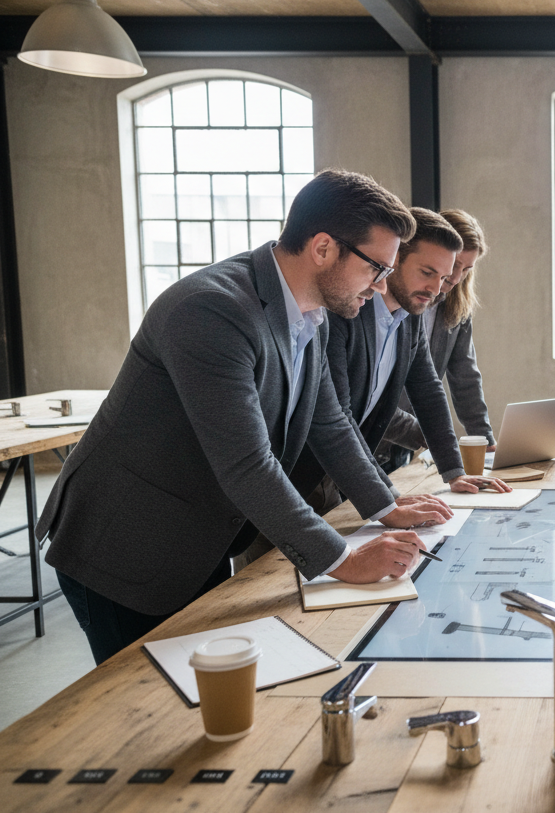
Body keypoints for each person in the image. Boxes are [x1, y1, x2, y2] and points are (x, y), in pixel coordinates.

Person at [38, 170, 450, 664]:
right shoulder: (212, 309)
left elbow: (329, 422)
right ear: (323, 248)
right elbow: (246, 462)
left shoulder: (309, 310)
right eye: (376, 268)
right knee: (144, 705)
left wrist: (387, 506)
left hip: (197, 540)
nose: (383, 284)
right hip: (127, 544)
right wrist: (344, 560)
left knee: (194, 687)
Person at [290, 208, 509, 514]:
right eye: (427, 272)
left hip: (344, 470)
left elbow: (428, 389)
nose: (436, 289)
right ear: (394, 259)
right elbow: (337, 414)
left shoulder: (409, 315)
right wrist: (389, 496)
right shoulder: (345, 309)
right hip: (297, 468)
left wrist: (454, 471)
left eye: (445, 277)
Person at [381, 209, 497, 460]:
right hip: (378, 432)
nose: (455, 278)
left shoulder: (456, 306)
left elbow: (464, 377)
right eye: (454, 265)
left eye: (466, 269)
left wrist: (484, 441)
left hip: (408, 440)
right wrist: (437, 439)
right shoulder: (401, 300)